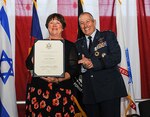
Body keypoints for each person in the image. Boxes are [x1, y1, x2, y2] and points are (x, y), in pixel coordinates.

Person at [25, 13, 80, 116]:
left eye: (58, 23)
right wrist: (34, 58)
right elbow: (28, 64)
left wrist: (58, 79)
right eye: (51, 22)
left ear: (63, 27)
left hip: (61, 90)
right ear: (47, 26)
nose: (54, 25)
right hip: (39, 90)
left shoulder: (70, 46)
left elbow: (74, 70)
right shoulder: (39, 44)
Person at [76, 12, 128, 117]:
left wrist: (93, 64)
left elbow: (115, 57)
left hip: (109, 91)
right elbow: (76, 66)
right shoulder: (77, 44)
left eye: (88, 21)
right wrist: (83, 67)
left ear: (94, 22)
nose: (85, 25)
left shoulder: (108, 36)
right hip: (90, 94)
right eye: (82, 23)